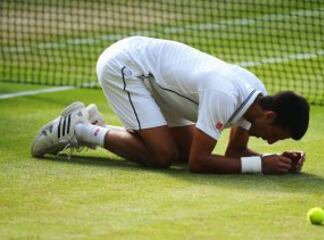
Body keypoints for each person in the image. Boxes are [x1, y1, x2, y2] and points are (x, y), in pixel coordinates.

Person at [31, 36, 310, 174]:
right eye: (275, 136)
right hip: (126, 67)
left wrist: (275, 161)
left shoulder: (256, 96)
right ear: (271, 116)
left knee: (182, 150)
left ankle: (93, 124)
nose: (271, 142)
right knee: (163, 156)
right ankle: (80, 129)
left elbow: (235, 152)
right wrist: (261, 167)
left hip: (156, 80)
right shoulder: (224, 95)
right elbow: (198, 163)